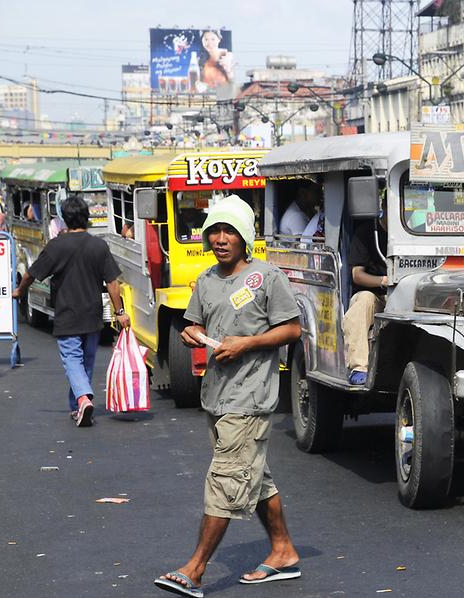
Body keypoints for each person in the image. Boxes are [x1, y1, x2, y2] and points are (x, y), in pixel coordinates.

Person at [155, 195, 303, 597]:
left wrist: (248, 343)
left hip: (250, 397)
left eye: (229, 231)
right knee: (253, 475)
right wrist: (192, 335)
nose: (220, 239)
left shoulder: (267, 278)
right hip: (217, 394)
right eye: (214, 231)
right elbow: (193, 324)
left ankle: (195, 569)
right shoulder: (205, 280)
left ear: (244, 237)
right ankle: (283, 550)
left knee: (224, 481)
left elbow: (291, 331)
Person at [11, 196, 131, 426]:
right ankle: (77, 405)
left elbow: (31, 273)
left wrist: (20, 290)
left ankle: (83, 399)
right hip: (93, 314)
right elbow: (112, 283)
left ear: (65, 219)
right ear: (87, 217)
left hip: (67, 314)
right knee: (85, 361)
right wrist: (120, 312)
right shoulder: (98, 245)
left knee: (73, 361)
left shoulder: (57, 245)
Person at [341, 204, 387, 385]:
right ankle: (359, 367)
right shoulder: (367, 232)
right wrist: (382, 281)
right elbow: (357, 275)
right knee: (363, 300)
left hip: (407, 297)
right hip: (376, 297)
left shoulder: (419, 232)